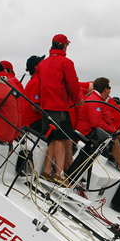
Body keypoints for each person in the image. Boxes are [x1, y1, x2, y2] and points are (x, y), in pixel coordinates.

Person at [36, 34, 83, 185]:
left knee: (52, 138)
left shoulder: (42, 64)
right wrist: (77, 101)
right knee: (62, 139)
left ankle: (47, 170)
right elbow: (72, 85)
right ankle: (60, 174)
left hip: (45, 107)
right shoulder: (66, 63)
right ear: (63, 45)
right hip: (60, 106)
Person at [75, 77, 120, 180]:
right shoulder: (94, 101)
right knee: (115, 139)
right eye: (109, 87)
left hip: (97, 131)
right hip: (88, 132)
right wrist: (115, 131)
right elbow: (97, 123)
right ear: (105, 89)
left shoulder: (100, 100)